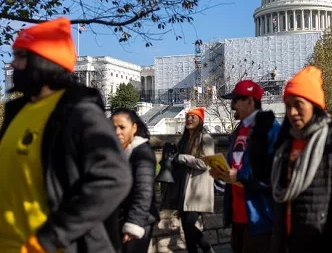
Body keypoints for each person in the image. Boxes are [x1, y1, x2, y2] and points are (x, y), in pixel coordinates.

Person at [0, 17, 132, 252]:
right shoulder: (16, 111)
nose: (11, 65)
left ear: (43, 62)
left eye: (20, 57)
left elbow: (113, 178)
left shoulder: (79, 113)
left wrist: (50, 238)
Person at [270, 66, 332, 253]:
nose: (292, 112)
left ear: (315, 106)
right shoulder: (286, 146)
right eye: (288, 105)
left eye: (298, 104)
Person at [212, 80, 281, 253]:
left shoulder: (270, 129)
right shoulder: (238, 131)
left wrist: (240, 176)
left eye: (236, 100)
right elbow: (236, 167)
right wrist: (221, 173)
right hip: (238, 216)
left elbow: (274, 175)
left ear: (250, 101)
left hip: (260, 218)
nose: (232, 105)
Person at [161, 107, 216, 253]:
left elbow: (206, 163)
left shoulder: (205, 138)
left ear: (200, 120)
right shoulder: (183, 141)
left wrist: (182, 158)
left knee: (191, 229)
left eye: (193, 117)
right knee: (188, 233)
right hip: (184, 192)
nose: (189, 119)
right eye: (188, 116)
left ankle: (208, 250)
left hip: (197, 192)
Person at [111, 108, 160, 253]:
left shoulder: (141, 152)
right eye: (113, 128)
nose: (117, 132)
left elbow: (143, 191)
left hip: (138, 220)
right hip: (121, 218)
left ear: (134, 128)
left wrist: (133, 223)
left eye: (122, 127)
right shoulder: (119, 151)